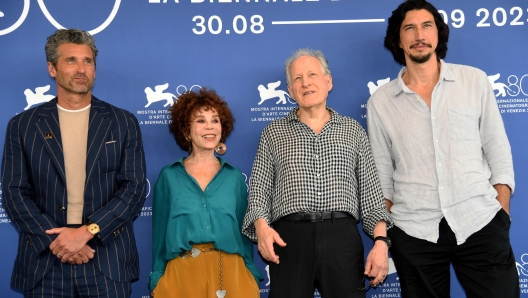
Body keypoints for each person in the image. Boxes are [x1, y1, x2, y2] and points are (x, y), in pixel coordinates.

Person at [366, 0, 519, 297]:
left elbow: (497, 148)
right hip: (415, 231)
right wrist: (387, 232)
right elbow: (381, 174)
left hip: (481, 222)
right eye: (409, 28)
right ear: (399, 40)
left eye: (427, 26)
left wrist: (502, 210)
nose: (419, 35)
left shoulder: (474, 81)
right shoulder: (381, 102)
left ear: (438, 34)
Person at [1, 29, 147, 297]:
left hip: (107, 261)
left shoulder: (122, 122)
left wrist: (88, 232)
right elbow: (13, 192)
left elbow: (134, 188)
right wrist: (58, 241)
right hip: (46, 263)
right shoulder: (23, 125)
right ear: (52, 68)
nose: (81, 69)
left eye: (87, 61)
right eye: (71, 60)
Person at [242, 48, 393, 298]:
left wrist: (380, 243)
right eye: (297, 79)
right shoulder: (273, 133)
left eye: (312, 74)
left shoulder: (353, 131)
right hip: (289, 240)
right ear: (290, 91)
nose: (306, 83)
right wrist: (262, 227)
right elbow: (258, 192)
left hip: (342, 239)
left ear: (328, 81)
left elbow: (372, 198)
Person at [149, 88, 263, 297]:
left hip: (233, 273)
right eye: (200, 121)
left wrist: (251, 275)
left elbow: (243, 232)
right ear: (186, 131)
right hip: (181, 275)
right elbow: (159, 235)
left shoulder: (234, 177)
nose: (210, 127)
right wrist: (157, 277)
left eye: (215, 120)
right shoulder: (169, 176)